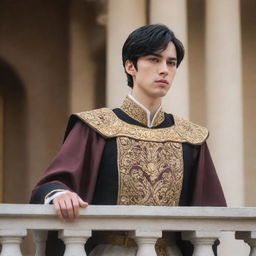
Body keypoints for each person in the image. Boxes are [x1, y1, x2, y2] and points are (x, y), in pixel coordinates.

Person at [30, 24, 226, 256]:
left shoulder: (191, 137)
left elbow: (209, 209)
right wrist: (60, 194)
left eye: (171, 63)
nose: (164, 70)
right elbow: (50, 185)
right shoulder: (96, 127)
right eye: (154, 60)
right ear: (130, 66)